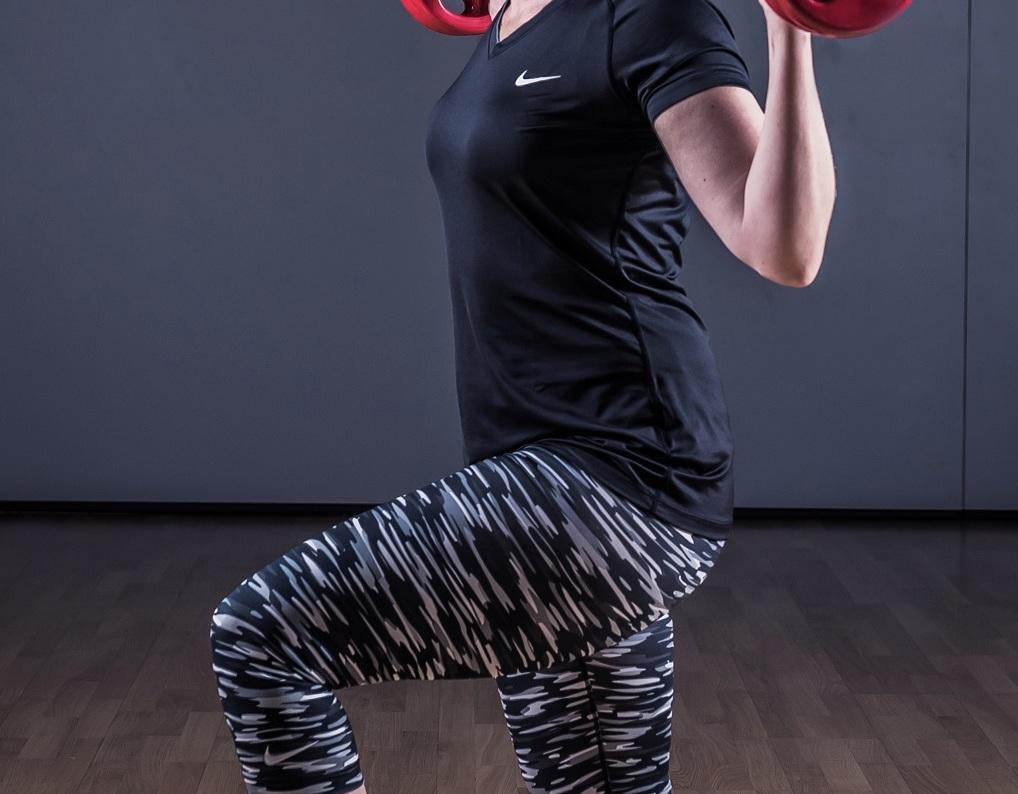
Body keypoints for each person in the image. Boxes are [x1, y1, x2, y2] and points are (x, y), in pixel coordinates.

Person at [209, 0, 835, 790]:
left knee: (261, 638)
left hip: (618, 481)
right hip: (533, 474)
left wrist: (792, 25)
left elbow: (784, 246)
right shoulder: (511, 17)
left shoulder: (650, 16)